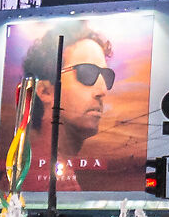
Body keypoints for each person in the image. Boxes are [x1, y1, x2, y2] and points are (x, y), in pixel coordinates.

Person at [20, 20, 115, 191]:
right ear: (45, 91)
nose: (102, 91)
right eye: (87, 73)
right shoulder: (37, 181)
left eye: (106, 76)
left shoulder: (50, 175)